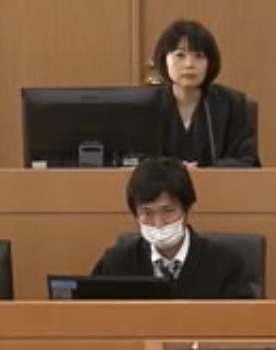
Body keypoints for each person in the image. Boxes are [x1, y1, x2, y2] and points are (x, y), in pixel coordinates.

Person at [91, 157, 254, 299]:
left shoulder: (225, 265)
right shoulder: (115, 264)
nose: (158, 223)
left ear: (186, 209)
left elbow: (245, 320)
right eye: (147, 213)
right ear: (135, 214)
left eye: (168, 211)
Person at [151, 19, 260, 168]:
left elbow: (247, 162)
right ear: (164, 59)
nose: (189, 64)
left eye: (199, 56)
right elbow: (134, 161)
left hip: (220, 182)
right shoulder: (147, 106)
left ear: (210, 62)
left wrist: (204, 170)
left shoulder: (234, 105)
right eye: (180, 55)